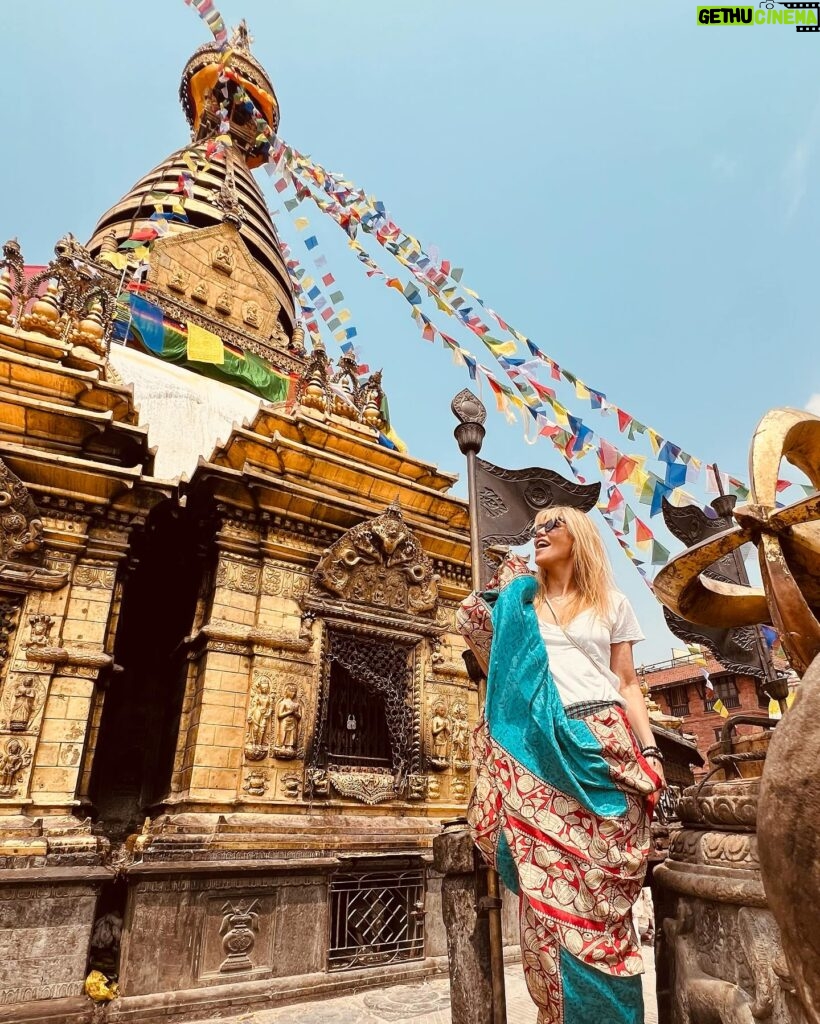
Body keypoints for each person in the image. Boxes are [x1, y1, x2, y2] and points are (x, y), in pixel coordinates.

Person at [457, 505, 664, 1024]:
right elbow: (472, 627)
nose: (540, 532)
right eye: (537, 526)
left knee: (602, 900)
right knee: (546, 894)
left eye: (554, 524)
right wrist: (507, 587)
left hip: (606, 748)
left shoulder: (611, 604)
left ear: (581, 537)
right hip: (539, 749)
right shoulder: (519, 603)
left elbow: (628, 683)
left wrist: (652, 750)